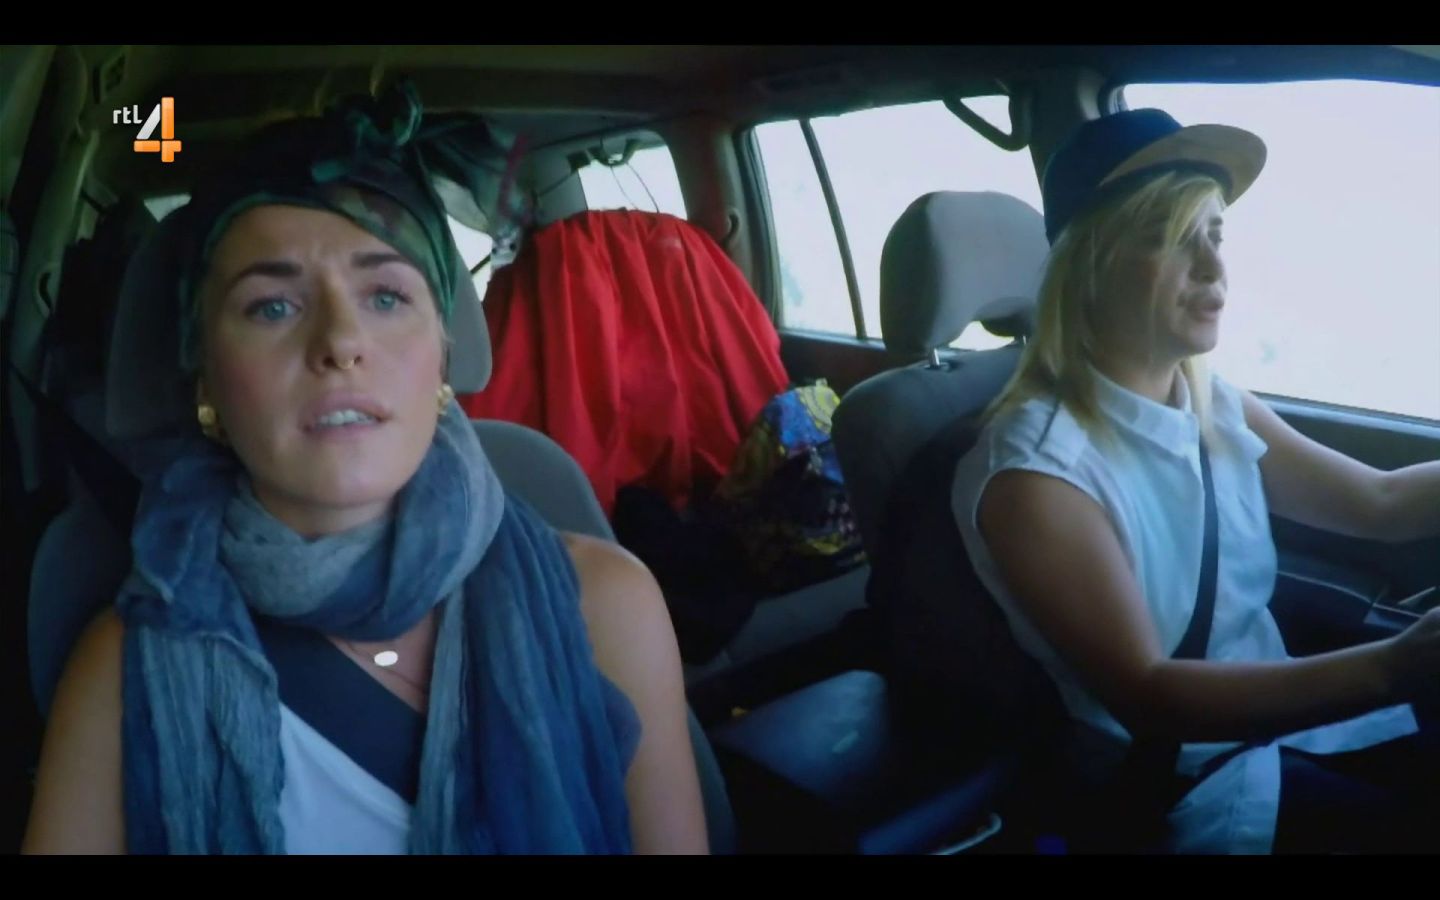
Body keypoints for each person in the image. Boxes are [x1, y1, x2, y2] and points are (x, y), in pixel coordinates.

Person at [23, 84, 708, 854]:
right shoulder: (123, 668)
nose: (340, 341)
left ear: (442, 356)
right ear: (205, 379)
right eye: (272, 307)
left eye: (385, 296)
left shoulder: (606, 606)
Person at [952, 108, 1440, 853]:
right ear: (1091, 262)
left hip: (1294, 728)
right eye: (1173, 236)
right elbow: (1150, 695)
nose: (1213, 267)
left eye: (1215, 234)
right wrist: (1392, 666)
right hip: (1191, 782)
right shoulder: (1036, 471)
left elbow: (1381, 503)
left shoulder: (1212, 403)